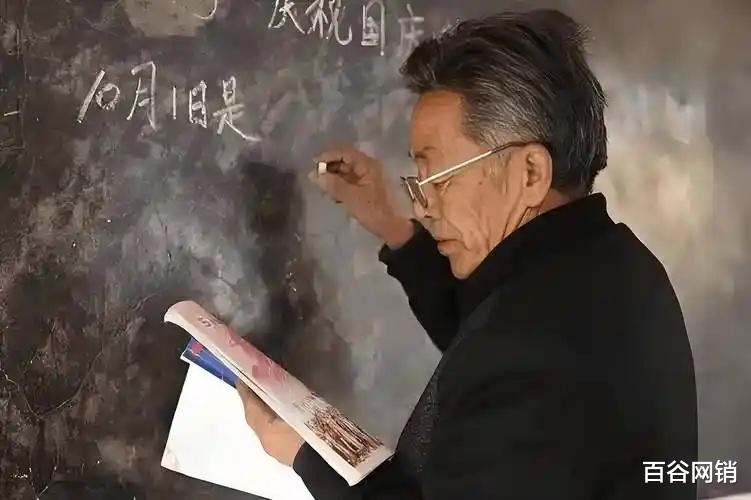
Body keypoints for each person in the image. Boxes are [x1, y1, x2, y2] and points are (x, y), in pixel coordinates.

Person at [235, 8, 698, 499]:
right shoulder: (610, 266)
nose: (425, 205)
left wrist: (311, 454)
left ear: (530, 173)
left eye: (438, 178)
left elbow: (503, 354)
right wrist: (392, 225)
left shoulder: (530, 345)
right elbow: (485, 331)